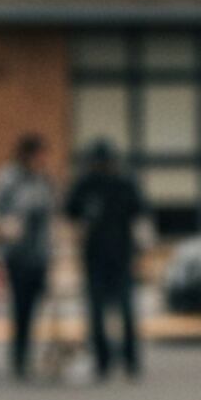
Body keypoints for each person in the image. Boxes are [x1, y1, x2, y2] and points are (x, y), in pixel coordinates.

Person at [64, 138, 147, 381]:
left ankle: (130, 359)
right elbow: (70, 213)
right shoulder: (85, 185)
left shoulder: (124, 184)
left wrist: (141, 252)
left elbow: (140, 218)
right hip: (95, 257)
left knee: (126, 311)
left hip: (122, 255)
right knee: (98, 312)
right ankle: (103, 360)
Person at [0, 133, 58, 381]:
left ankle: (32, 356)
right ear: (27, 154)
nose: (44, 159)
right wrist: (5, 228)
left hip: (40, 253)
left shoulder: (44, 180)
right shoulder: (7, 179)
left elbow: (53, 214)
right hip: (16, 254)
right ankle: (18, 357)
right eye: (40, 154)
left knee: (39, 307)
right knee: (20, 307)